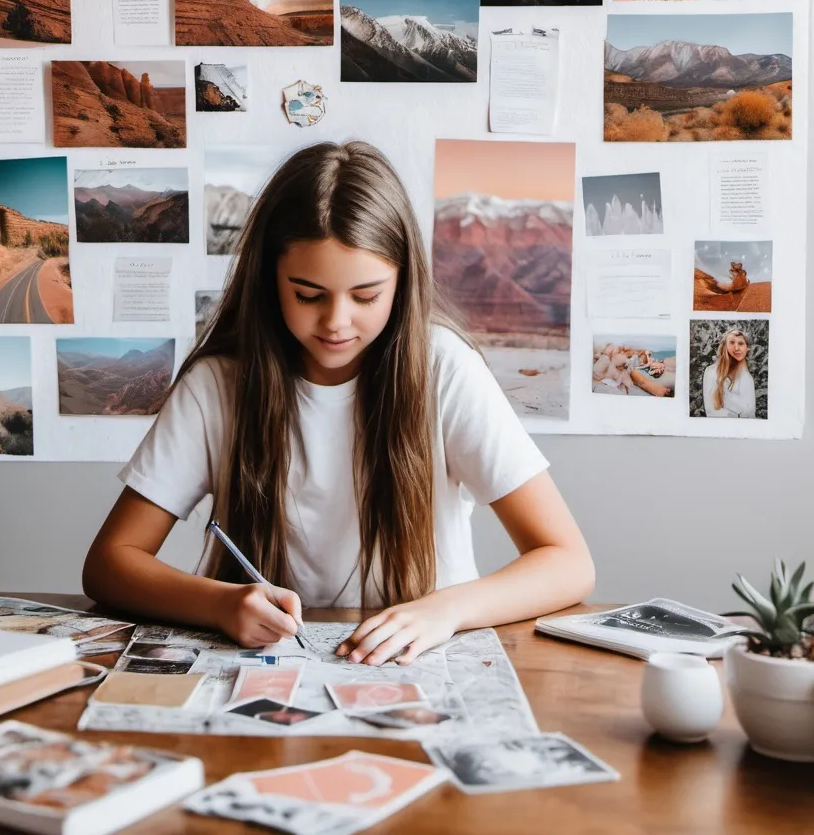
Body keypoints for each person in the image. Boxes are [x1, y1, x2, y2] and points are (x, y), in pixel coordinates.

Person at [82, 142, 594, 667]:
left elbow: (568, 563)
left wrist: (445, 610)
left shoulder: (444, 368)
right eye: (308, 295)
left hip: (421, 671)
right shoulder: (218, 386)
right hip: (267, 669)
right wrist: (221, 602)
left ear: (402, 281)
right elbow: (108, 564)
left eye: (367, 296)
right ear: (269, 280)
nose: (336, 322)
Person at [702, 328, 756, 418]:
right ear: (725, 346)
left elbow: (749, 413)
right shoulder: (711, 372)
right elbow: (711, 411)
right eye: (732, 342)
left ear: (747, 348)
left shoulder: (748, 378)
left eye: (741, 343)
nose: (736, 348)